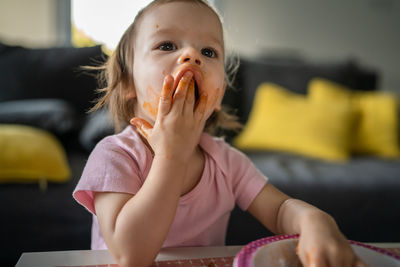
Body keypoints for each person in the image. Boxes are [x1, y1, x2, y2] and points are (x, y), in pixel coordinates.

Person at [73, 1, 366, 266]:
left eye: (208, 51)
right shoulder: (114, 156)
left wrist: (315, 221)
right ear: (127, 83)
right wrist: (171, 155)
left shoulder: (225, 162)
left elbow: (279, 211)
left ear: (218, 93)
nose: (191, 56)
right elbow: (130, 255)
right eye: (166, 45)